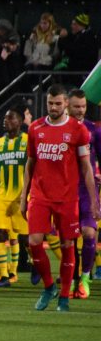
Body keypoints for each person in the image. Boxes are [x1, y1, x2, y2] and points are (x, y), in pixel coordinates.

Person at [21, 84, 98, 312]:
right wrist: (23, 195)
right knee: (34, 242)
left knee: (67, 246)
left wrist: (94, 201)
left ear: (66, 103)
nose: (53, 107)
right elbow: (30, 163)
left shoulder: (78, 130)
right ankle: (48, 287)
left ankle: (64, 295)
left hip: (67, 198)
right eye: (50, 103)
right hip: (40, 196)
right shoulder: (35, 128)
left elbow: (86, 168)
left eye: (58, 103)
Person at [0, 108, 29, 287]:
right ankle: (3, 275)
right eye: (5, 117)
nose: (6, 120)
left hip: (22, 196)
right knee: (0, 234)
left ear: (20, 121)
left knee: (24, 238)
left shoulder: (29, 141)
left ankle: (29, 264)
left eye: (10, 118)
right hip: (2, 194)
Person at [66, 89, 101, 299]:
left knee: (89, 233)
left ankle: (85, 278)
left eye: (83, 107)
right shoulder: (59, 131)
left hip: (87, 192)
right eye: (76, 107)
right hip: (66, 192)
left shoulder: (93, 131)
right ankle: (71, 279)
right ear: (68, 106)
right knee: (68, 240)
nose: (80, 111)